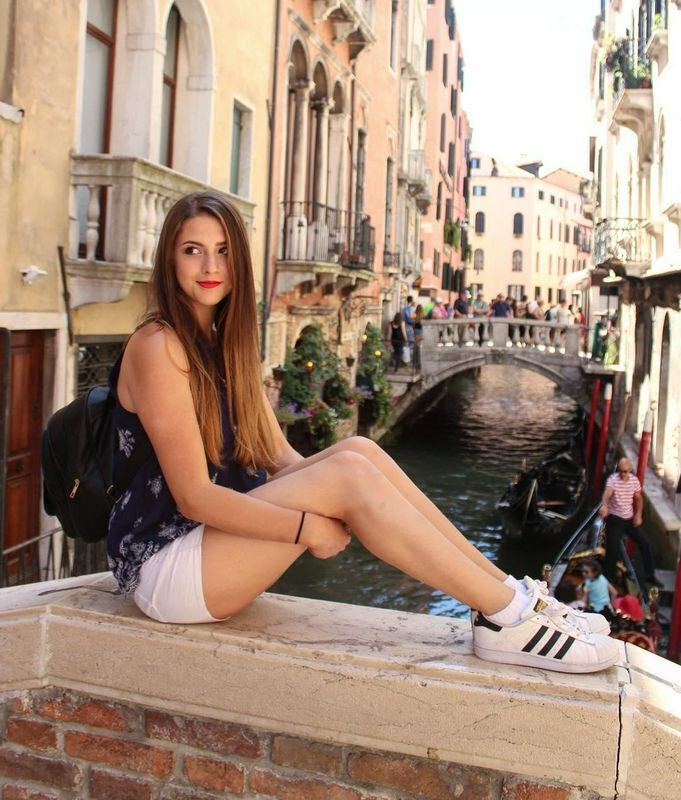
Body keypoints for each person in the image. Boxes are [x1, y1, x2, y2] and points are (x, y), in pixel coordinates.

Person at [107, 190, 617, 674]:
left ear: (239, 260)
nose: (210, 267)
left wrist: (349, 485)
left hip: (211, 548)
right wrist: (307, 528)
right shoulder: (158, 345)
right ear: (170, 259)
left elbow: (280, 459)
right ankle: (507, 617)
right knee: (348, 472)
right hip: (165, 567)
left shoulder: (226, 344)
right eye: (192, 250)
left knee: (358, 450)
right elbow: (194, 497)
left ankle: (509, 598)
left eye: (222, 251)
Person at [599, 457, 661, 589]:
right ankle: (607, 580)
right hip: (615, 519)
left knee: (645, 544)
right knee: (612, 550)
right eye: (621, 471)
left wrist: (638, 515)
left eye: (625, 471)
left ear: (630, 470)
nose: (623, 474)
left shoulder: (634, 481)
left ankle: (650, 576)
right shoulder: (613, 480)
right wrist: (604, 506)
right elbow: (607, 494)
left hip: (629, 519)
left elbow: (639, 498)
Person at [413, 304, 424, 371]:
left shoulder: (415, 315)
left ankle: (415, 366)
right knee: (419, 348)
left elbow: (414, 324)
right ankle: (418, 366)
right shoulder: (422, 316)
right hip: (420, 331)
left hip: (416, 331)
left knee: (416, 348)